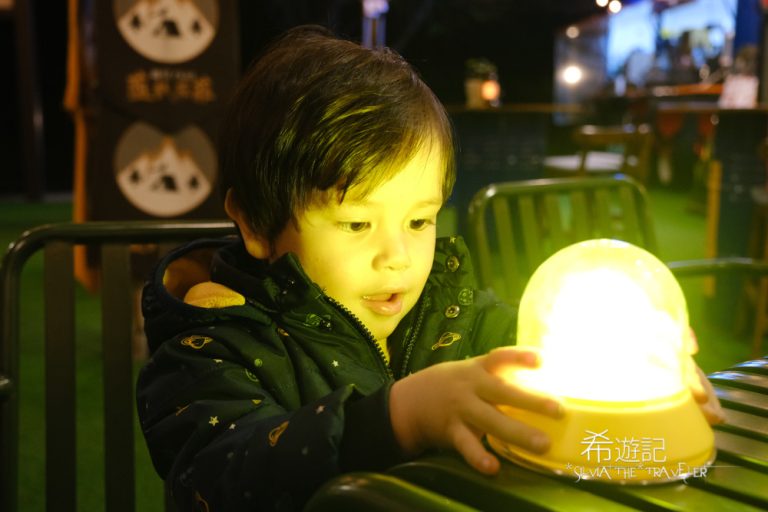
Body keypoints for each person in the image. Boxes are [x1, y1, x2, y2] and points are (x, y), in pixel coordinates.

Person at [136, 25, 724, 511]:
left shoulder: (447, 310)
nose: (398, 256)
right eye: (357, 224)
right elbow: (223, 477)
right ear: (258, 226)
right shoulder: (211, 351)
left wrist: (630, 361)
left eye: (419, 221)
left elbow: (527, 355)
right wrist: (400, 418)